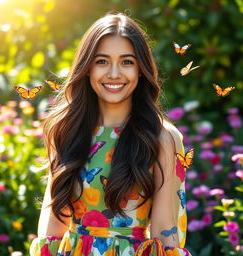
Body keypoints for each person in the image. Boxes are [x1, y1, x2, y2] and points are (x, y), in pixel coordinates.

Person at [30, 12, 192, 256]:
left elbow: (164, 232)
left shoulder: (162, 138)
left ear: (141, 69)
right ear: (86, 69)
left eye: (127, 62)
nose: (114, 73)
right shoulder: (65, 129)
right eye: (102, 61)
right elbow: (52, 228)